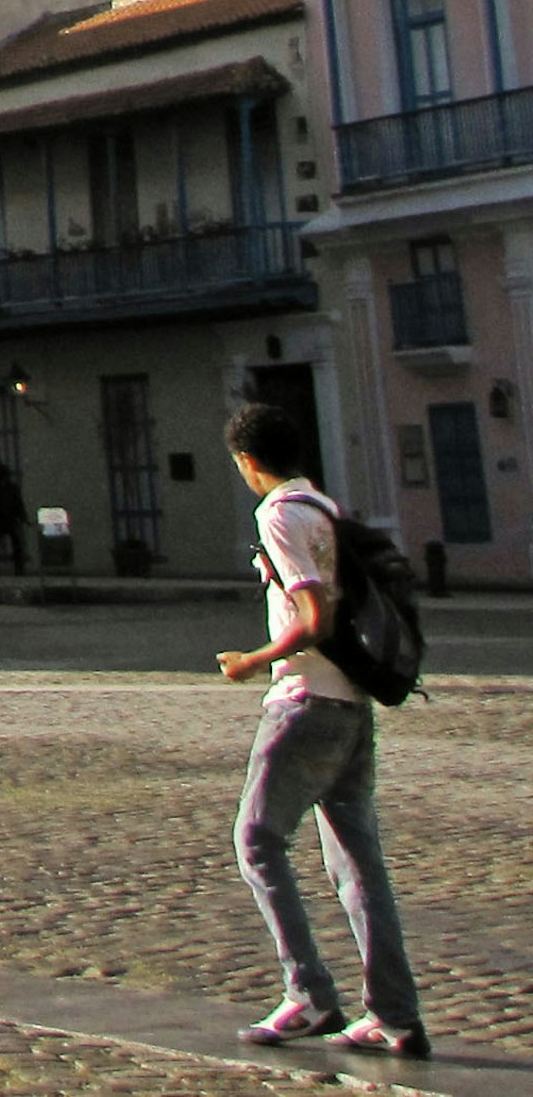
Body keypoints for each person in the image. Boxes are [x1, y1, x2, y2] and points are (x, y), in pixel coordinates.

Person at [215, 399, 426, 1058]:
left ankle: (308, 994)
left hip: (306, 702)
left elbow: (313, 614)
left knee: (255, 840)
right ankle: (393, 1014)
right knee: (357, 859)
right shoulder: (326, 510)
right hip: (353, 705)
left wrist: (254, 660)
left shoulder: (278, 515)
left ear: (248, 462)